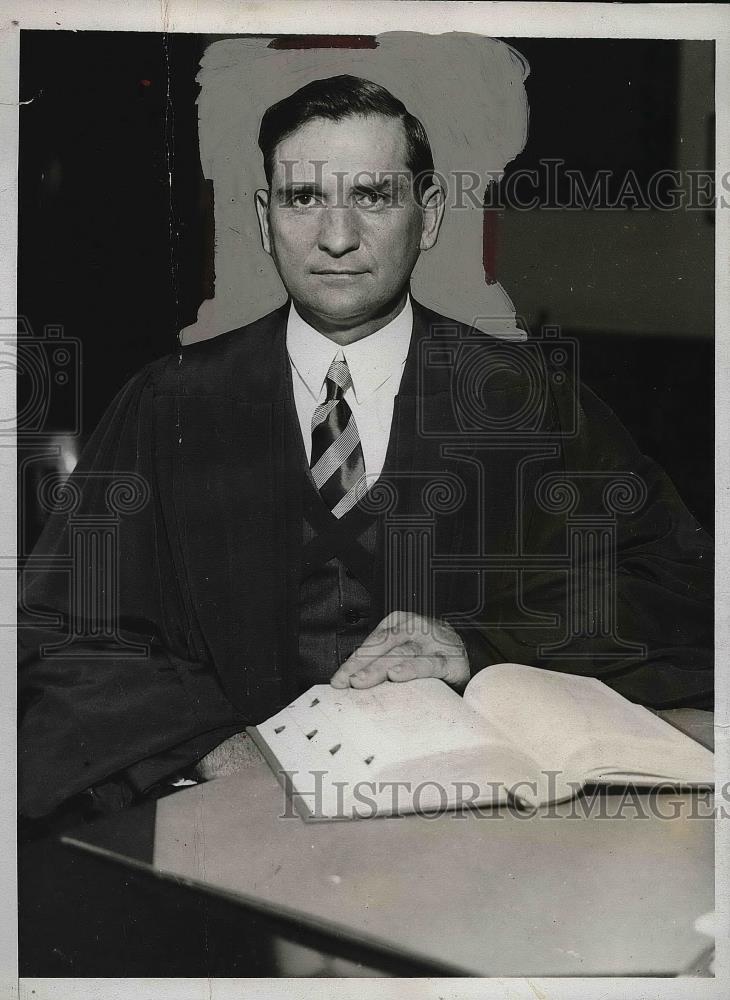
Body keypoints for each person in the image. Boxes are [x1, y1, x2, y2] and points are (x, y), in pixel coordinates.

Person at [19, 75, 713, 823]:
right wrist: (210, 749)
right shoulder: (167, 404)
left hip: (473, 833)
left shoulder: (529, 400)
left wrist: (476, 642)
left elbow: (675, 588)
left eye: (375, 196)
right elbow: (64, 633)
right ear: (264, 218)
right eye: (304, 198)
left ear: (430, 216)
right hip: (235, 822)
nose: (338, 236)